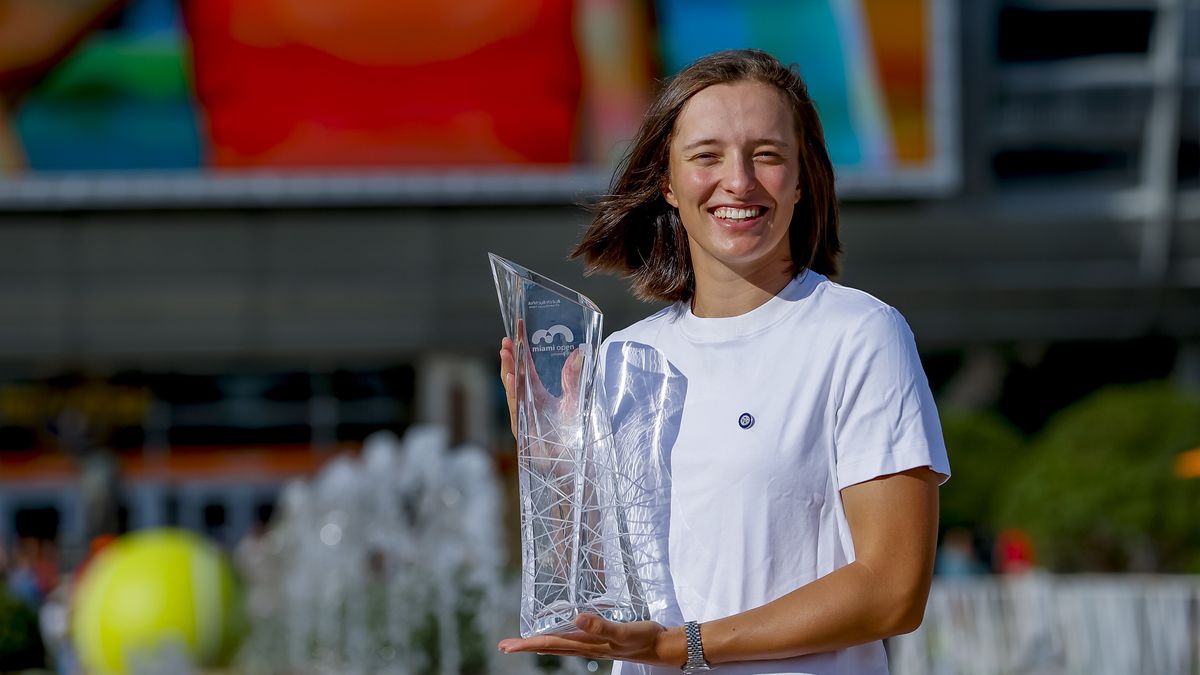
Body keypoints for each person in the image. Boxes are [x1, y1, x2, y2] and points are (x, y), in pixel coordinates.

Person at [497, 49, 950, 674]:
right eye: (707, 156)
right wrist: (554, 471)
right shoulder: (628, 359)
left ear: (801, 179)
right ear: (668, 183)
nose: (738, 181)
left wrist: (683, 647)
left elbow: (892, 592)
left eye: (766, 154)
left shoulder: (858, 335)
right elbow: (608, 598)